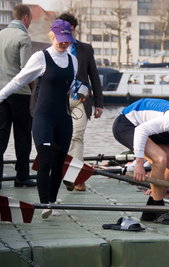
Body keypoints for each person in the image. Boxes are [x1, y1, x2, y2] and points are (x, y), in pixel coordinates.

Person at [0, 19, 78, 218]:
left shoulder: (73, 60)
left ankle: (53, 201)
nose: (64, 43)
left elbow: (69, 88)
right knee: (45, 158)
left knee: (60, 161)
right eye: (60, 39)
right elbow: (19, 80)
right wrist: (1, 96)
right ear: (52, 36)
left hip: (64, 118)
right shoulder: (40, 57)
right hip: (43, 116)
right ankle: (44, 204)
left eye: (67, 39)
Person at [58, 13, 103, 192]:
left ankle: (74, 178)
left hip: (80, 100)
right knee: (60, 139)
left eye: (70, 30)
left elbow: (94, 76)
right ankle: (61, 171)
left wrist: (99, 103)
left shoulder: (85, 49)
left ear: (74, 29)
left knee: (77, 136)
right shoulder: (54, 49)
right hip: (59, 100)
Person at [0, 4, 36, 189]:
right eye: (31, 18)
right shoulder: (23, 37)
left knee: (1, 136)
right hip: (19, 94)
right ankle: (21, 176)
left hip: (1, 95)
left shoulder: (0, 35)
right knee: (22, 136)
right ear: (25, 18)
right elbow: (26, 70)